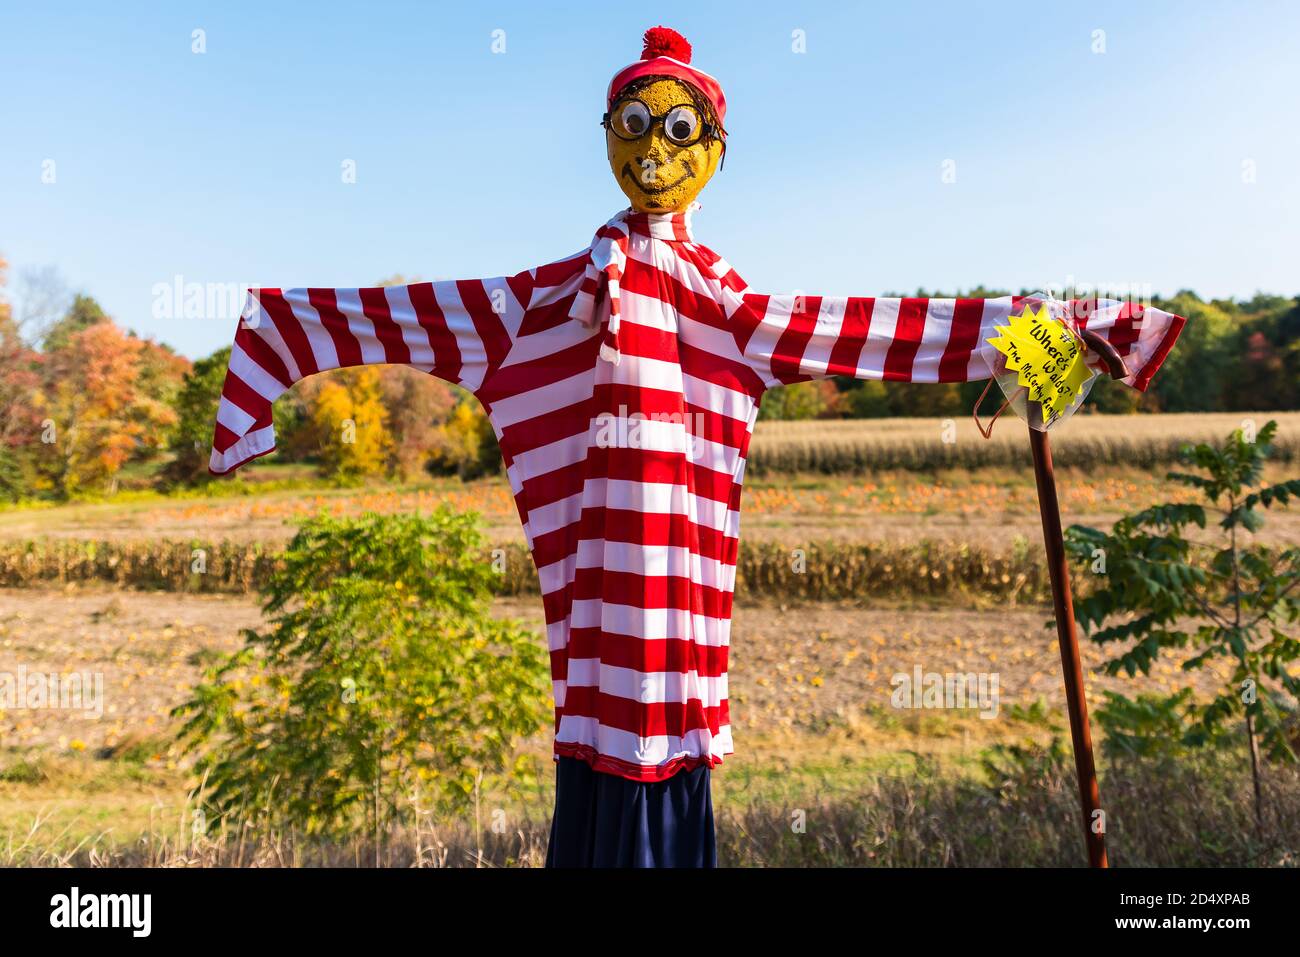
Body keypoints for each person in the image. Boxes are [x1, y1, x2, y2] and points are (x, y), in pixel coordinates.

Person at [208, 26, 1187, 867]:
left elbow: (870, 328)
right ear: (607, 140)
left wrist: (1050, 328)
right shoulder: (538, 305)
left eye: (677, 130)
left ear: (712, 147)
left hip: (672, 680)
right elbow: (380, 315)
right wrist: (271, 350)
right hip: (594, 686)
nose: (653, 149)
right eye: (633, 127)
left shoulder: (730, 309)